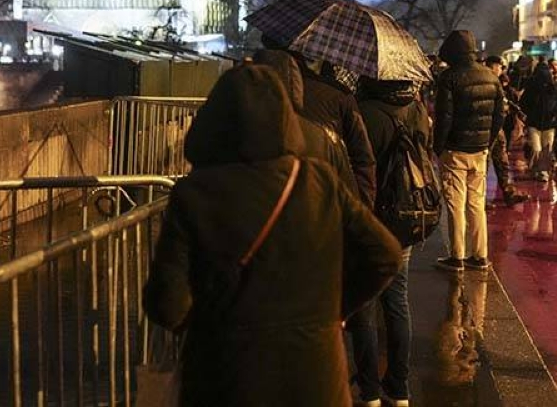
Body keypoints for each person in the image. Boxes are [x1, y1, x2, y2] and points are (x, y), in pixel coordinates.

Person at [143, 65, 401, 407]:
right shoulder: (317, 181)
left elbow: (168, 304)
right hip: (316, 376)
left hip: (227, 377)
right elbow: (385, 255)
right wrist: (334, 310)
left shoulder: (195, 196)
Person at [351, 77, 431, 406]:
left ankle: (368, 389)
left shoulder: (363, 112)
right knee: (397, 302)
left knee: (365, 305)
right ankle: (399, 388)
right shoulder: (417, 110)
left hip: (370, 219)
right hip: (405, 218)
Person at [260, 35, 378, 208]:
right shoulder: (338, 95)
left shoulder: (248, 94)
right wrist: (361, 209)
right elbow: (363, 159)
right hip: (325, 204)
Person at [434, 30, 505, 272]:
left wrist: (438, 147)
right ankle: (480, 254)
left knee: (455, 203)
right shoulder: (491, 77)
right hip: (480, 150)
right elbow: (499, 116)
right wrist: (488, 141)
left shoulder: (449, 78)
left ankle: (457, 256)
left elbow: (444, 118)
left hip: (455, 150)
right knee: (476, 202)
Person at [484, 55, 529, 206]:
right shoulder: (485, 80)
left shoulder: (496, 82)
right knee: (484, 164)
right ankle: (480, 198)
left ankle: (509, 192)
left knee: (502, 162)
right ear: (492, 66)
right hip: (486, 128)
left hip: (498, 128)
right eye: (499, 66)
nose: (501, 69)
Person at [520, 62, 557, 182]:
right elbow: (523, 103)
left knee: (547, 149)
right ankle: (536, 168)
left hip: (549, 124)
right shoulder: (531, 88)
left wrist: (553, 113)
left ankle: (543, 171)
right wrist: (530, 113)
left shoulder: (553, 88)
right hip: (534, 123)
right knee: (536, 148)